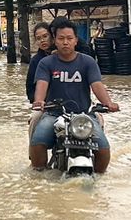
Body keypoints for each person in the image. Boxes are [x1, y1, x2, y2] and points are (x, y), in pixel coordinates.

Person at [31, 17, 120, 173]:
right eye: (61, 38)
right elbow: (41, 84)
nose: (65, 42)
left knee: (104, 148)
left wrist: (109, 103)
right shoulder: (46, 63)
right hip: (53, 114)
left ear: (76, 40)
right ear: (55, 41)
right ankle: (39, 175)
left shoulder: (88, 62)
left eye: (69, 38)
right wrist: (39, 101)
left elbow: (97, 85)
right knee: (38, 142)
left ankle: (99, 178)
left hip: (84, 115)